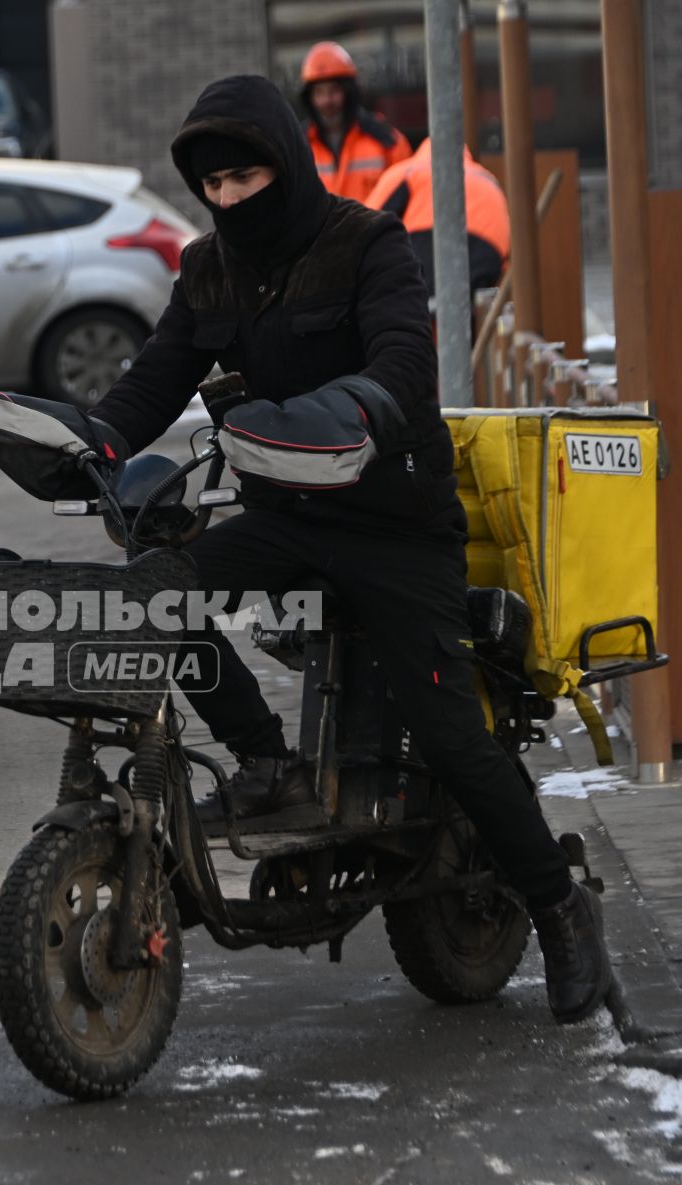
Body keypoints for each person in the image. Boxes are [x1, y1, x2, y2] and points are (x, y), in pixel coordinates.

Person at [84, 74, 613, 1024]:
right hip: (290, 516)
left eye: (247, 176)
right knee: (157, 587)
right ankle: (262, 758)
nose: (232, 198)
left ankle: (561, 909)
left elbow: (405, 362)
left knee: (451, 733)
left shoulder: (368, 245)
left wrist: (353, 406)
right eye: (215, 185)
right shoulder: (207, 269)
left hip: (395, 522)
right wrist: (91, 444)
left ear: (283, 162)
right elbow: (153, 379)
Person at [364, 137, 511, 294]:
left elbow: (364, 224)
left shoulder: (408, 171)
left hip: (427, 243)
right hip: (489, 253)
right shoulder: (487, 179)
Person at [299, 41, 413, 204]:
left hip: (375, 229)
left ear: (348, 91)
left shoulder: (388, 142)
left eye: (334, 91)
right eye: (319, 92)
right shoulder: (299, 146)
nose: (326, 100)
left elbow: (407, 199)